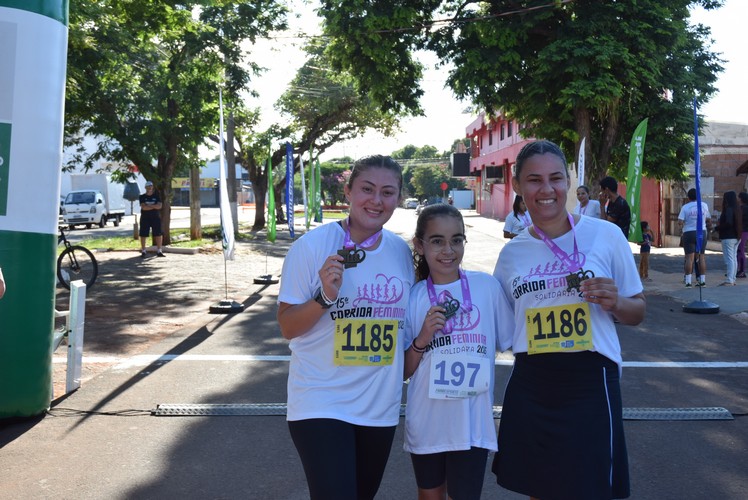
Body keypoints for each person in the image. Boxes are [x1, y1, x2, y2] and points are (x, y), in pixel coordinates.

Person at [491, 140, 645, 500]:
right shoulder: (511, 255)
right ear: (518, 187)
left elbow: (637, 311)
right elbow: (499, 327)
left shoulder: (605, 235)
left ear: (568, 181)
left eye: (555, 178)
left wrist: (616, 301)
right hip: (532, 380)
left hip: (590, 381)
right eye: (534, 180)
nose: (546, 190)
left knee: (591, 490)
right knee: (539, 488)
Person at [276, 155, 414, 500]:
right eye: (367, 189)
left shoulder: (400, 252)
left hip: (379, 407)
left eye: (387, 192)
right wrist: (324, 297)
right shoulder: (311, 247)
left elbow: (402, 332)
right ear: (348, 190)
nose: (376, 201)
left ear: (398, 198)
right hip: (322, 401)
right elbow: (288, 327)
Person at [403, 203, 513, 500]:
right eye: (437, 241)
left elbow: (515, 341)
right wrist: (424, 336)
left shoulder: (486, 288)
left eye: (456, 240)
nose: (448, 250)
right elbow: (402, 371)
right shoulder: (413, 296)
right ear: (420, 245)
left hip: (472, 424)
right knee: (430, 496)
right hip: (428, 421)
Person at [677, 188, 711, 287]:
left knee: (689, 258)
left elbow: (680, 221)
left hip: (689, 232)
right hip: (702, 232)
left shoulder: (685, 207)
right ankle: (702, 281)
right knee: (701, 257)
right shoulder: (704, 205)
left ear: (688, 197)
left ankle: (688, 282)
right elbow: (708, 218)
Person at [715, 190, 742, 286]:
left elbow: (728, 223)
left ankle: (730, 280)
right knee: (733, 258)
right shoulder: (737, 209)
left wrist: (717, 228)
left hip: (728, 237)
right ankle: (732, 278)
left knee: (730, 259)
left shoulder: (729, 209)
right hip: (736, 237)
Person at [139, 181, 165, 258]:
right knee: (143, 234)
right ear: (145, 187)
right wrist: (154, 205)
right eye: (148, 186)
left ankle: (159, 250)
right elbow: (144, 207)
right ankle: (143, 250)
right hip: (145, 217)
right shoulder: (142, 196)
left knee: (158, 233)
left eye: (151, 186)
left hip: (155, 217)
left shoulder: (157, 196)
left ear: (152, 187)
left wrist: (149, 205)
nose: (149, 188)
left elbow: (160, 206)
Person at [737, 192, 748, 279]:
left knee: (740, 251)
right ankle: (739, 270)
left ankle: (742, 271)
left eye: (738, 197)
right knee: (739, 251)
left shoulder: (743, 208)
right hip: (744, 231)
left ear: (741, 199)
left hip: (743, 231)